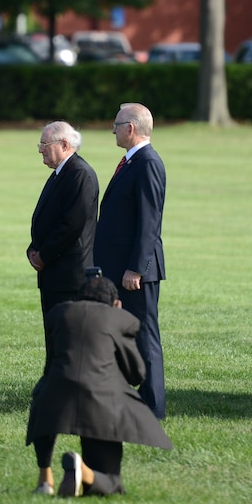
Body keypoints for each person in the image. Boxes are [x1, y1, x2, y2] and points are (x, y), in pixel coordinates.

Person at [25, 275, 172, 497]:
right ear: (115, 303)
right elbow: (137, 374)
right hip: (102, 406)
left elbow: (51, 364)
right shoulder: (121, 319)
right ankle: (83, 470)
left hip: (54, 399)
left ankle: (45, 478)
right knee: (112, 484)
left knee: (45, 396)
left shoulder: (59, 313)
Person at [95, 102, 167, 419]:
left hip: (136, 271)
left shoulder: (148, 163)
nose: (113, 129)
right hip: (120, 267)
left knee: (145, 336)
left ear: (131, 128)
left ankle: (152, 406)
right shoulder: (131, 162)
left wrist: (136, 267)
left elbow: (150, 222)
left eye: (116, 124)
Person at [27, 121, 99, 360]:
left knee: (70, 342)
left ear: (65, 145)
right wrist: (33, 248)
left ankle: (70, 393)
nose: (40, 150)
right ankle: (56, 390)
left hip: (70, 276)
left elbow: (71, 226)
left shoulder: (80, 174)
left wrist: (43, 254)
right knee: (56, 339)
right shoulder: (62, 172)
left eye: (44, 144)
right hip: (54, 273)